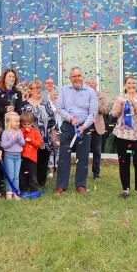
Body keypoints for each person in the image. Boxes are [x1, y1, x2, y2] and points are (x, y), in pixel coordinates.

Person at [54, 67, 98, 195]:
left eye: (79, 75)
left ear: (82, 77)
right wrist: (70, 118)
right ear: (70, 78)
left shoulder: (90, 92)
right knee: (63, 156)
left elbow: (93, 112)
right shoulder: (63, 90)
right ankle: (61, 186)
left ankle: (80, 185)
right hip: (68, 126)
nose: (77, 78)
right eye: (74, 76)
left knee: (83, 157)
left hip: (84, 127)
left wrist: (84, 126)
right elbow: (60, 108)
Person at [111, 75, 137, 200]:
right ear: (125, 85)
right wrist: (120, 104)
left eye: (134, 83)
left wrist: (133, 102)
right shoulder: (120, 98)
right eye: (129, 83)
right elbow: (114, 114)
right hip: (123, 136)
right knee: (124, 162)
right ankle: (125, 189)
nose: (131, 85)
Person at [21, 80, 56, 187]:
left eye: (39, 88)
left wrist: (54, 137)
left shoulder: (46, 104)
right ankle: (28, 184)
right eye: (35, 88)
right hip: (30, 142)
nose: (38, 90)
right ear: (30, 91)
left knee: (43, 163)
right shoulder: (25, 106)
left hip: (45, 140)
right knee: (30, 164)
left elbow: (53, 123)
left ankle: (41, 183)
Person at [85, 78, 110, 180]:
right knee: (84, 151)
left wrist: (95, 103)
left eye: (92, 83)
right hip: (85, 126)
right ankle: (83, 172)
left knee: (97, 151)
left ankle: (96, 173)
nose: (91, 84)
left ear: (96, 85)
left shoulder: (101, 95)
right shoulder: (81, 94)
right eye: (88, 83)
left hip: (97, 127)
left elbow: (106, 110)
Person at [1, 112, 25, 200]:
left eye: (18, 121)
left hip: (18, 156)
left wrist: (18, 138)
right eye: (15, 121)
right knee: (10, 175)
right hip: (9, 156)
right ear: (9, 122)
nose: (18, 123)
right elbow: (4, 146)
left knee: (16, 175)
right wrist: (13, 139)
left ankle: (16, 192)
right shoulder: (5, 132)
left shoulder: (19, 132)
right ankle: (9, 192)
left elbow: (23, 143)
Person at [19, 112, 43, 194]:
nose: (26, 126)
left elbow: (39, 144)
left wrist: (31, 141)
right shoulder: (20, 131)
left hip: (32, 157)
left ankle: (34, 190)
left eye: (28, 124)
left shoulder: (35, 132)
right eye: (24, 124)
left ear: (32, 123)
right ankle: (23, 189)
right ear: (21, 124)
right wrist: (25, 131)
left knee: (32, 175)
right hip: (22, 157)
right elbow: (18, 138)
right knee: (23, 174)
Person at [48, 90, 61, 178]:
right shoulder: (48, 105)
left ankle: (59, 170)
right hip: (50, 130)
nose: (56, 96)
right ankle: (51, 171)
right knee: (51, 150)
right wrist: (54, 113)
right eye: (54, 94)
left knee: (59, 150)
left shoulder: (62, 105)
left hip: (60, 130)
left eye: (57, 94)